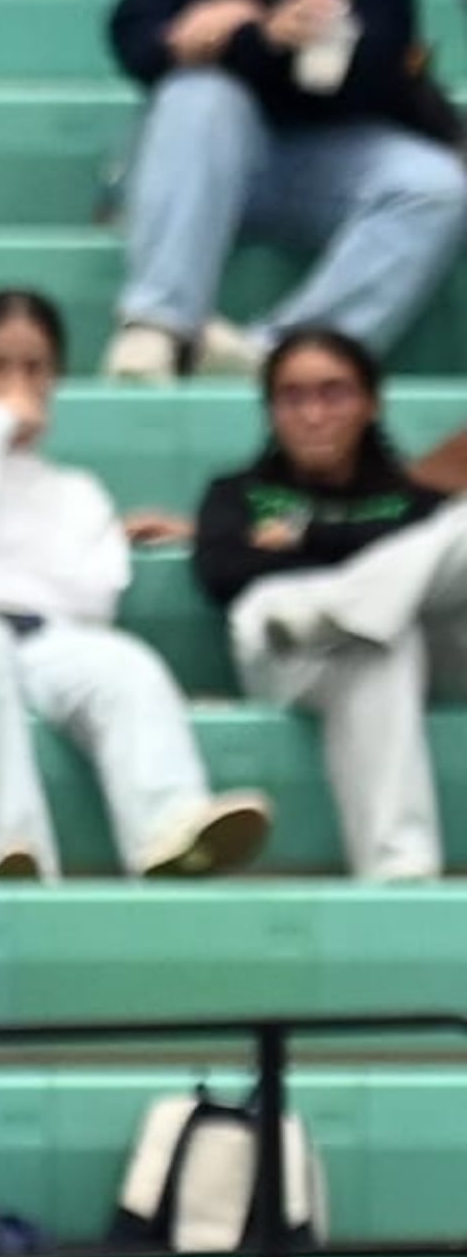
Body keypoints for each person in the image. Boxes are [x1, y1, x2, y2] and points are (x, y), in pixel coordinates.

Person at [0, 285, 273, 883]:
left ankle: (170, 831)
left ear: (56, 376)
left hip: (40, 640)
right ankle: (11, 854)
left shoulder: (76, 491)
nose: (17, 385)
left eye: (34, 368)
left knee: (125, 664)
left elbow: (93, 596)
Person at [103, 0, 467, 380]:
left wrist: (242, 36)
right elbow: (138, 46)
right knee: (198, 95)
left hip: (328, 162)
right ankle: (157, 325)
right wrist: (261, 37)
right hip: (203, 168)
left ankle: (284, 354)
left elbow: (377, 74)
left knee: (437, 187)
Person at [192, 327, 467, 882]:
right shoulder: (236, 492)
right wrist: (364, 550)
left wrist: (304, 537)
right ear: (271, 411)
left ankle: (336, 612)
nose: (313, 415)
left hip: (385, 636)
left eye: (333, 393)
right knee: (383, 634)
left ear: (371, 403)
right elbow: (224, 572)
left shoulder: (414, 499)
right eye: (292, 397)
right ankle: (399, 867)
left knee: (390, 619)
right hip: (283, 636)